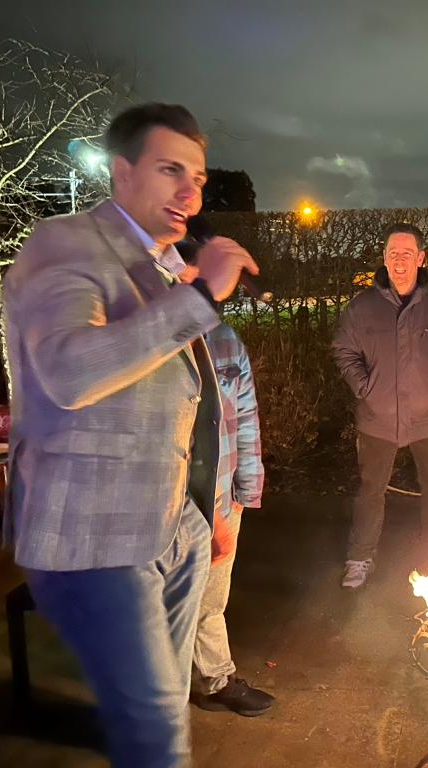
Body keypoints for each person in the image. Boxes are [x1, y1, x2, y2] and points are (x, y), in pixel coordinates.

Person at [2, 103, 257, 768]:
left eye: (197, 177)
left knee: (165, 709)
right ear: (120, 173)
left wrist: (208, 511)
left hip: (172, 526)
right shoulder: (67, 244)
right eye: (170, 169)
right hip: (96, 535)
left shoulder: (164, 265)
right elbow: (67, 369)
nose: (190, 191)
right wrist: (201, 301)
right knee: (154, 731)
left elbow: (196, 399)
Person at [332, 222, 428, 589]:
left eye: (407, 253)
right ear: (384, 258)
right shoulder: (362, 308)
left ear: (420, 258)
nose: (400, 261)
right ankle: (360, 556)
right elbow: (344, 350)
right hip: (377, 419)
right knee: (371, 490)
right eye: (393, 253)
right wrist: (364, 387)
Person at [176, 237, 274, 717]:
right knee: (166, 601)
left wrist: (244, 489)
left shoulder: (225, 339)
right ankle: (165, 690)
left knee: (212, 595)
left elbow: (247, 417)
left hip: (216, 494)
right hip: (165, 502)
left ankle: (214, 680)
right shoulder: (156, 344)